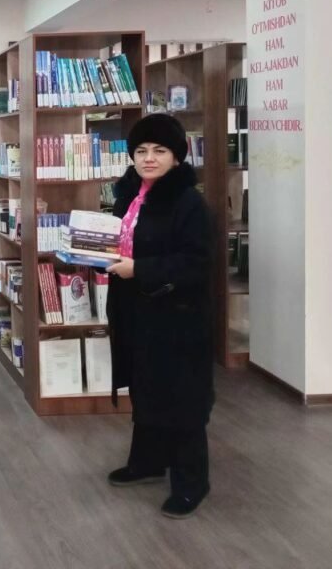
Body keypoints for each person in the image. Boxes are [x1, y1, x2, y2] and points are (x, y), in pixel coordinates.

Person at [105, 113, 214, 520]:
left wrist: (139, 269)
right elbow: (123, 240)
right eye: (141, 151)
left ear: (177, 156)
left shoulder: (189, 203)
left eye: (159, 150)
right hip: (136, 309)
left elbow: (196, 264)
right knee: (146, 387)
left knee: (181, 397)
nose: (148, 158)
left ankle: (191, 482)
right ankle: (148, 462)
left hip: (177, 316)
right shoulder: (130, 194)